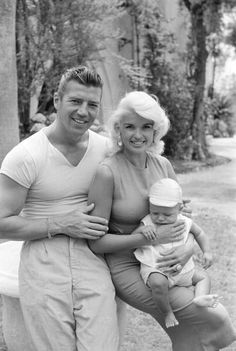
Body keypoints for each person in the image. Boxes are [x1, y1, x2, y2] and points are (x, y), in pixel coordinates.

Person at [88, 91, 236, 350]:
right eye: (130, 126)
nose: (138, 134)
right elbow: (96, 244)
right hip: (128, 267)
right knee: (211, 313)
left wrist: (187, 249)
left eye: (146, 126)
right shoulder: (107, 172)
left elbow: (181, 220)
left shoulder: (164, 165)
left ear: (156, 130)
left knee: (185, 334)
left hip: (170, 261)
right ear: (117, 130)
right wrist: (141, 237)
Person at [0, 66, 120, 351]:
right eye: (75, 101)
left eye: (92, 105)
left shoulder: (107, 151)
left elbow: (133, 194)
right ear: (56, 100)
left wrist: (167, 209)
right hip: (43, 262)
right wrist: (61, 223)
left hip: (93, 259)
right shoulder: (26, 156)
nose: (83, 111)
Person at [133, 177, 220, 329]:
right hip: (157, 269)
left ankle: (200, 297)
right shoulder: (147, 222)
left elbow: (199, 234)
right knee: (158, 284)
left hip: (184, 271)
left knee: (203, 277)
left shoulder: (184, 221)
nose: (160, 218)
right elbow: (133, 238)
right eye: (155, 213)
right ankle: (167, 312)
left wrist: (207, 251)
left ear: (179, 209)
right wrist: (142, 230)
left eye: (167, 215)